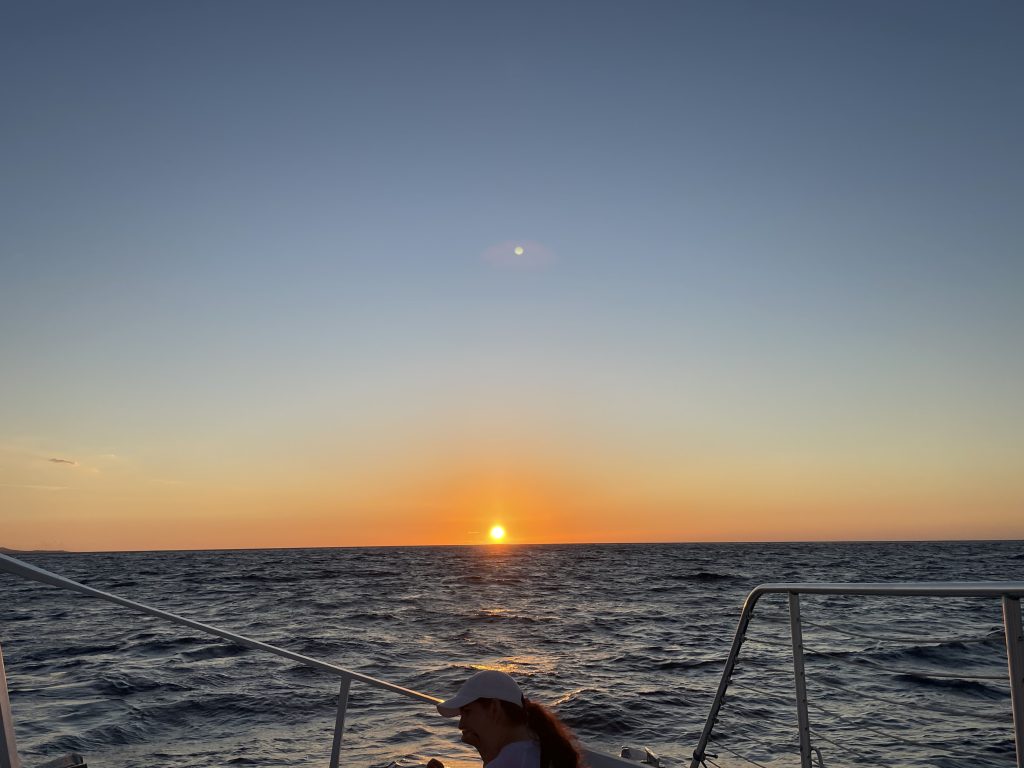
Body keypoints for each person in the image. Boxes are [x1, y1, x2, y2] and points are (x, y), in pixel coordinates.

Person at [428, 670, 583, 768]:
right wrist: (486, 751)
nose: (461, 724)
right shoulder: (542, 747)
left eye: (467, 712)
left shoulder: (508, 762)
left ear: (494, 708)